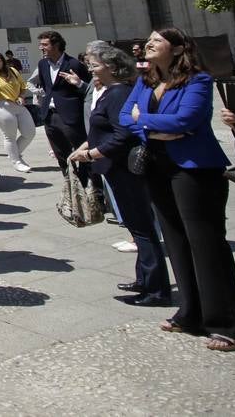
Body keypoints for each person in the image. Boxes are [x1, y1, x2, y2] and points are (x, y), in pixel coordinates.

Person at [121, 27, 235, 352]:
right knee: (175, 241)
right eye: (148, 40)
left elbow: (185, 120)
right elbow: (125, 117)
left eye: (156, 41)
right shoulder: (144, 81)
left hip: (195, 169)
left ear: (177, 49)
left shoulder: (198, 81)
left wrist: (144, 120)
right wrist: (154, 125)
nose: (148, 44)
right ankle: (190, 313)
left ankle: (226, 324)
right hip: (158, 167)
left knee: (206, 245)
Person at [66, 41, 170, 306]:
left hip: (124, 168)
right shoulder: (111, 91)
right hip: (114, 168)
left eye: (95, 64)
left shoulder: (119, 93)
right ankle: (144, 280)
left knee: (142, 229)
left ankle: (156, 290)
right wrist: (87, 144)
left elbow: (122, 135)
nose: (90, 68)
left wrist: (90, 154)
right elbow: (106, 130)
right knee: (136, 227)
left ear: (111, 67)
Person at [33, 31, 91, 174]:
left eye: (45, 45)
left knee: (79, 152)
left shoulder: (74, 64)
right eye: (40, 45)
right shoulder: (42, 64)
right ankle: (69, 183)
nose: (41, 48)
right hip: (50, 116)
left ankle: (89, 186)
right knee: (60, 154)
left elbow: (88, 89)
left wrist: (78, 84)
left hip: (69, 117)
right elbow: (47, 87)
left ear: (56, 44)